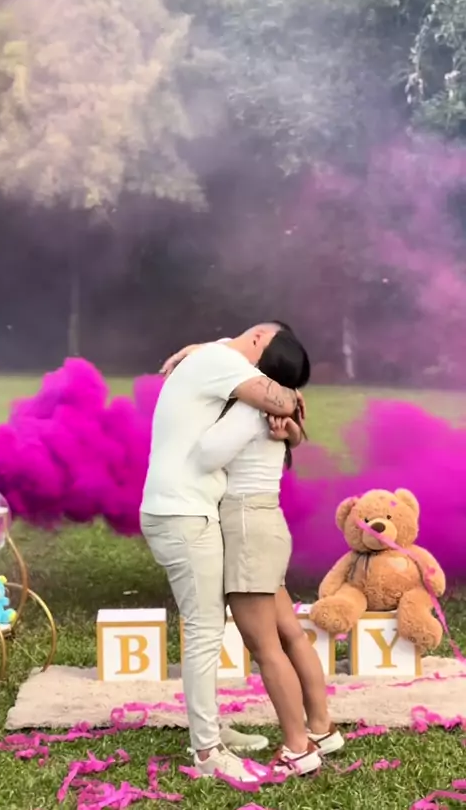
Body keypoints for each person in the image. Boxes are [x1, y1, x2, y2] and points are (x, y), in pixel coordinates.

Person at [140, 322, 304, 781]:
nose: (259, 379)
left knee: (207, 629)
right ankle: (207, 751)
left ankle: (209, 728)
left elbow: (230, 361)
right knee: (205, 632)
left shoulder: (214, 356)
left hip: (184, 511)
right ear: (259, 340)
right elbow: (279, 401)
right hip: (183, 514)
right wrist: (288, 399)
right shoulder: (221, 362)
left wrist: (200, 346)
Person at [195, 330, 344, 778]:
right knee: (290, 635)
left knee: (265, 646)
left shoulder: (252, 406)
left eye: (255, 346)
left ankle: (298, 747)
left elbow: (206, 455)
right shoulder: (280, 406)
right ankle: (321, 728)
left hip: (247, 526)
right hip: (267, 524)